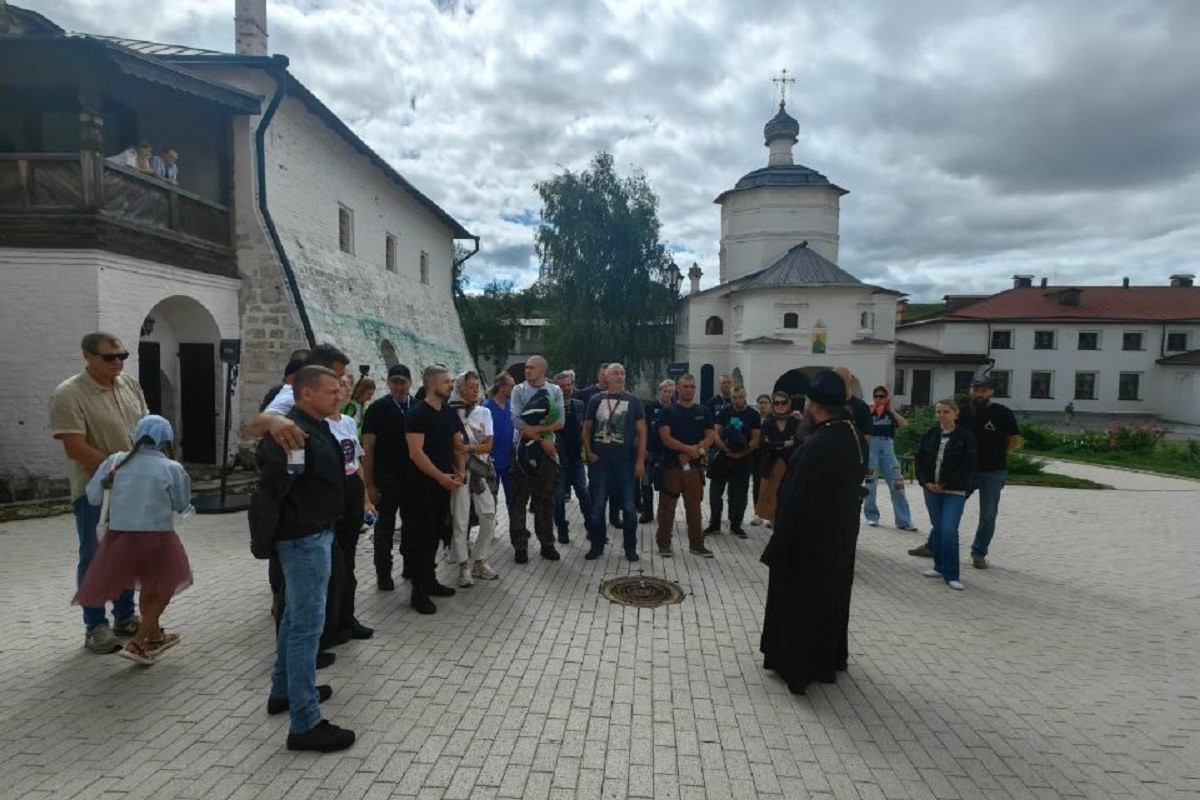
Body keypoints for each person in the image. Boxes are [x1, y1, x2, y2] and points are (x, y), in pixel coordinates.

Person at [256, 366, 355, 753]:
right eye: (331, 390)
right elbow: (282, 483)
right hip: (304, 538)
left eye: (340, 390)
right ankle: (306, 722)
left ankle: (284, 690)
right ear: (307, 394)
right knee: (306, 629)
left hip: (310, 533)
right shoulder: (293, 432)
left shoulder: (311, 425)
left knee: (295, 619)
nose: (339, 395)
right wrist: (300, 522)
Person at [760, 371, 864, 694]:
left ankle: (797, 668)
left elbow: (793, 503)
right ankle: (825, 661)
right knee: (829, 600)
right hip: (837, 539)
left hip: (807, 545)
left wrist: (779, 545)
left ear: (814, 406)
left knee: (800, 606)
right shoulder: (850, 434)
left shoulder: (814, 446)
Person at [50, 331, 149, 654]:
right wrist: (118, 469)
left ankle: (124, 616)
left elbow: (145, 429)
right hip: (96, 491)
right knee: (95, 556)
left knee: (128, 554)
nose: (118, 363)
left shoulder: (129, 385)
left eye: (122, 356)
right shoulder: (69, 394)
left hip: (134, 487)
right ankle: (95, 626)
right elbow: (76, 448)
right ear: (87, 356)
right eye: (110, 357)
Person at [74, 415, 192, 665]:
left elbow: (93, 496)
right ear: (168, 440)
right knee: (163, 587)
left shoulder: (115, 461)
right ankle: (138, 643)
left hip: (119, 538)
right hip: (157, 537)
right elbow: (181, 504)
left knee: (149, 585)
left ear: (137, 436)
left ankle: (155, 636)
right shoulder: (172, 468)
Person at [908, 376, 1018, 569]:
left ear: (991, 392)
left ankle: (979, 553)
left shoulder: (1003, 414)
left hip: (992, 471)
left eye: (983, 390)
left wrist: (998, 455)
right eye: (976, 389)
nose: (979, 393)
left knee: (988, 515)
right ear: (970, 391)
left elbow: (1013, 440)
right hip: (964, 472)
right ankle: (933, 546)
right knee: (945, 510)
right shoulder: (962, 413)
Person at [403, 365, 466, 613]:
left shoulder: (449, 413)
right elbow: (416, 453)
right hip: (421, 486)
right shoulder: (417, 414)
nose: (451, 386)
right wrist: (440, 476)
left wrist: (459, 470)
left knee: (435, 535)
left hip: (444, 483)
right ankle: (418, 591)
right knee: (421, 537)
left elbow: (456, 444)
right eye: (446, 382)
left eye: (451, 381)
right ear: (431, 385)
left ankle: (430, 581)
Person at [582, 363, 647, 561]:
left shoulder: (634, 401)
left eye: (623, 373)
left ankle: (630, 548)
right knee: (598, 506)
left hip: (625, 462)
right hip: (600, 461)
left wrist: (640, 461)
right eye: (615, 373)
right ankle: (597, 544)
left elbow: (642, 432)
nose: (620, 376)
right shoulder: (596, 400)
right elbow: (586, 429)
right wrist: (589, 453)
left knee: (628, 507)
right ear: (607, 377)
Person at [326, 374, 374, 640]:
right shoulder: (318, 425)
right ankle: (329, 625)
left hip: (351, 497)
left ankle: (347, 618)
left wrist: (366, 498)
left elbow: (356, 463)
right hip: (332, 500)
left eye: (346, 384)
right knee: (333, 568)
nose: (344, 388)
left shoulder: (346, 422)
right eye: (340, 384)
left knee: (349, 565)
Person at [915, 400, 979, 591]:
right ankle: (939, 566)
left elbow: (969, 466)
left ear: (956, 413)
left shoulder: (966, 437)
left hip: (954, 491)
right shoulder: (930, 435)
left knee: (949, 530)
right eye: (938, 412)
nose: (942, 415)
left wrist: (946, 484)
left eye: (946, 411)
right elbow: (920, 460)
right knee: (939, 528)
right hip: (931, 490)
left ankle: (952, 574)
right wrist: (926, 482)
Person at [361, 364, 414, 591]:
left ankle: (411, 566)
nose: (399, 386)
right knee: (384, 529)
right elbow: (368, 448)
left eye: (402, 382)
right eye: (395, 382)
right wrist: (369, 484)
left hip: (413, 480)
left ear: (410, 383)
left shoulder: (418, 408)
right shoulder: (377, 409)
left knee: (412, 527)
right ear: (388, 383)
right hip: (386, 478)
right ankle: (383, 573)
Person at [509, 355, 565, 563]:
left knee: (545, 500)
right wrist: (540, 437)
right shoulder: (518, 390)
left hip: (546, 456)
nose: (527, 370)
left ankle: (547, 544)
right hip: (521, 453)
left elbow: (560, 422)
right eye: (526, 367)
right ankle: (520, 547)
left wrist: (538, 433)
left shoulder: (555, 391)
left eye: (531, 367)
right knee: (518, 502)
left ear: (543, 370)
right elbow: (515, 419)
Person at [448, 371, 501, 587]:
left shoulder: (484, 412)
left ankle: (480, 560)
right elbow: (451, 446)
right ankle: (463, 566)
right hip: (459, 472)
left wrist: (468, 447)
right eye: (470, 386)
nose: (475, 390)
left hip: (480, 470)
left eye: (476, 386)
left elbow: (488, 445)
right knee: (460, 520)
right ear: (460, 387)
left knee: (488, 515)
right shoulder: (450, 412)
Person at [656, 374, 716, 558]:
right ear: (678, 389)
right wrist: (688, 450)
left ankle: (697, 545)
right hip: (672, 466)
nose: (689, 389)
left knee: (694, 509)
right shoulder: (668, 411)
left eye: (692, 386)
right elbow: (666, 438)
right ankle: (664, 544)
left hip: (694, 468)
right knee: (666, 508)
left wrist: (694, 451)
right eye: (685, 386)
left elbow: (711, 436)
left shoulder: (703, 411)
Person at [704, 386, 761, 539]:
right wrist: (725, 449)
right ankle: (714, 524)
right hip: (724, 457)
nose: (737, 400)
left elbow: (755, 439)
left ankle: (736, 525)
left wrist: (741, 453)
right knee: (715, 492)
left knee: (739, 495)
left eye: (740, 397)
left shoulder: (753, 414)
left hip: (743, 459)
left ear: (745, 396)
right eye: (734, 397)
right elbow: (716, 432)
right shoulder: (725, 411)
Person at [862, 386, 917, 531]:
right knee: (870, 484)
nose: (879, 399)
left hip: (888, 450)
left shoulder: (890, 412)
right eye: (876, 396)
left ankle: (904, 521)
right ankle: (871, 517)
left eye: (882, 396)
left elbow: (904, 424)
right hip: (871, 449)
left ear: (887, 397)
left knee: (898, 484)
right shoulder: (868, 411)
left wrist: (891, 410)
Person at [553, 370, 591, 545]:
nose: (567, 388)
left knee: (584, 494)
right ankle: (562, 529)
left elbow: (585, 430)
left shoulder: (579, 405)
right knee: (559, 497)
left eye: (569, 385)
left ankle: (592, 529)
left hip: (576, 459)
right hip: (558, 461)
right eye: (563, 386)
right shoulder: (551, 406)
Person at [753, 392, 800, 528]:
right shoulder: (768, 423)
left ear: (789, 403)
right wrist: (786, 443)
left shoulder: (796, 423)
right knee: (769, 502)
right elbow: (765, 446)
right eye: (777, 403)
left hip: (790, 467)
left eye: (783, 402)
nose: (780, 405)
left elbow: (798, 443)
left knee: (788, 501)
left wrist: (777, 444)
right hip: (770, 468)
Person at [640, 380, 675, 524]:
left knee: (666, 484)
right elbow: (644, 428)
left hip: (668, 453)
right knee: (646, 483)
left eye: (669, 392)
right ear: (660, 391)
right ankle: (647, 513)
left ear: (673, 394)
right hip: (651, 451)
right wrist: (644, 448)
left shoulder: (675, 409)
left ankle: (664, 514)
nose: (666, 394)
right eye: (664, 391)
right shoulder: (650, 408)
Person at [483, 372, 515, 505]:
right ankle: (490, 526)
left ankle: (516, 526)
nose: (514, 388)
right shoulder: (486, 408)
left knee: (513, 499)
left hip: (510, 460)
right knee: (491, 500)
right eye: (511, 385)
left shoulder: (512, 405)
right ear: (501, 387)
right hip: (492, 461)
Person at [752, 393, 772, 509]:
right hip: (756, 455)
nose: (763, 405)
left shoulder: (773, 420)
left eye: (765, 403)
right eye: (761, 403)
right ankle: (757, 510)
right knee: (757, 483)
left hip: (770, 454)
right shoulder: (754, 418)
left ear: (770, 405)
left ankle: (769, 511)